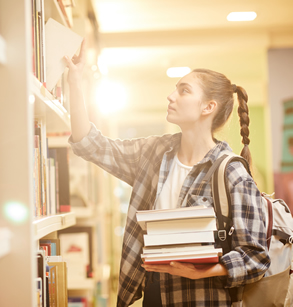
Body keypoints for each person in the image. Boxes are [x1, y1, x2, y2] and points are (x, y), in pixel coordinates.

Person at [64, 43, 270, 306]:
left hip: (202, 298)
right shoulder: (153, 153)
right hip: (154, 293)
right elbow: (90, 144)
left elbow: (256, 257)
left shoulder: (232, 172)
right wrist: (75, 81)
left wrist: (207, 269)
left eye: (183, 91)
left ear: (208, 107)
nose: (171, 96)